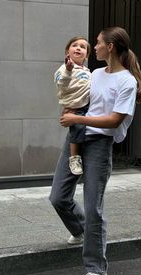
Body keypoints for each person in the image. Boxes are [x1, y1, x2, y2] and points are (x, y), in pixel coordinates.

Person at [49, 26, 141, 275]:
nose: (94, 47)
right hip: (77, 137)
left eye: (98, 43)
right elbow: (77, 95)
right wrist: (70, 106)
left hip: (100, 145)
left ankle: (96, 267)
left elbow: (114, 120)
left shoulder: (126, 81)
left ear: (110, 47)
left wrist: (77, 117)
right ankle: (81, 230)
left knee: (94, 208)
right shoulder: (95, 74)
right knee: (58, 197)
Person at [54, 36, 91, 175]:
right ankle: (74, 158)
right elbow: (61, 85)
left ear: (86, 55)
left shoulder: (87, 72)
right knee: (77, 129)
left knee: (85, 131)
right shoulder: (63, 69)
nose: (78, 48)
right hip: (75, 107)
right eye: (74, 45)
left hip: (88, 105)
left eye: (82, 47)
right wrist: (68, 71)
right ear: (67, 52)